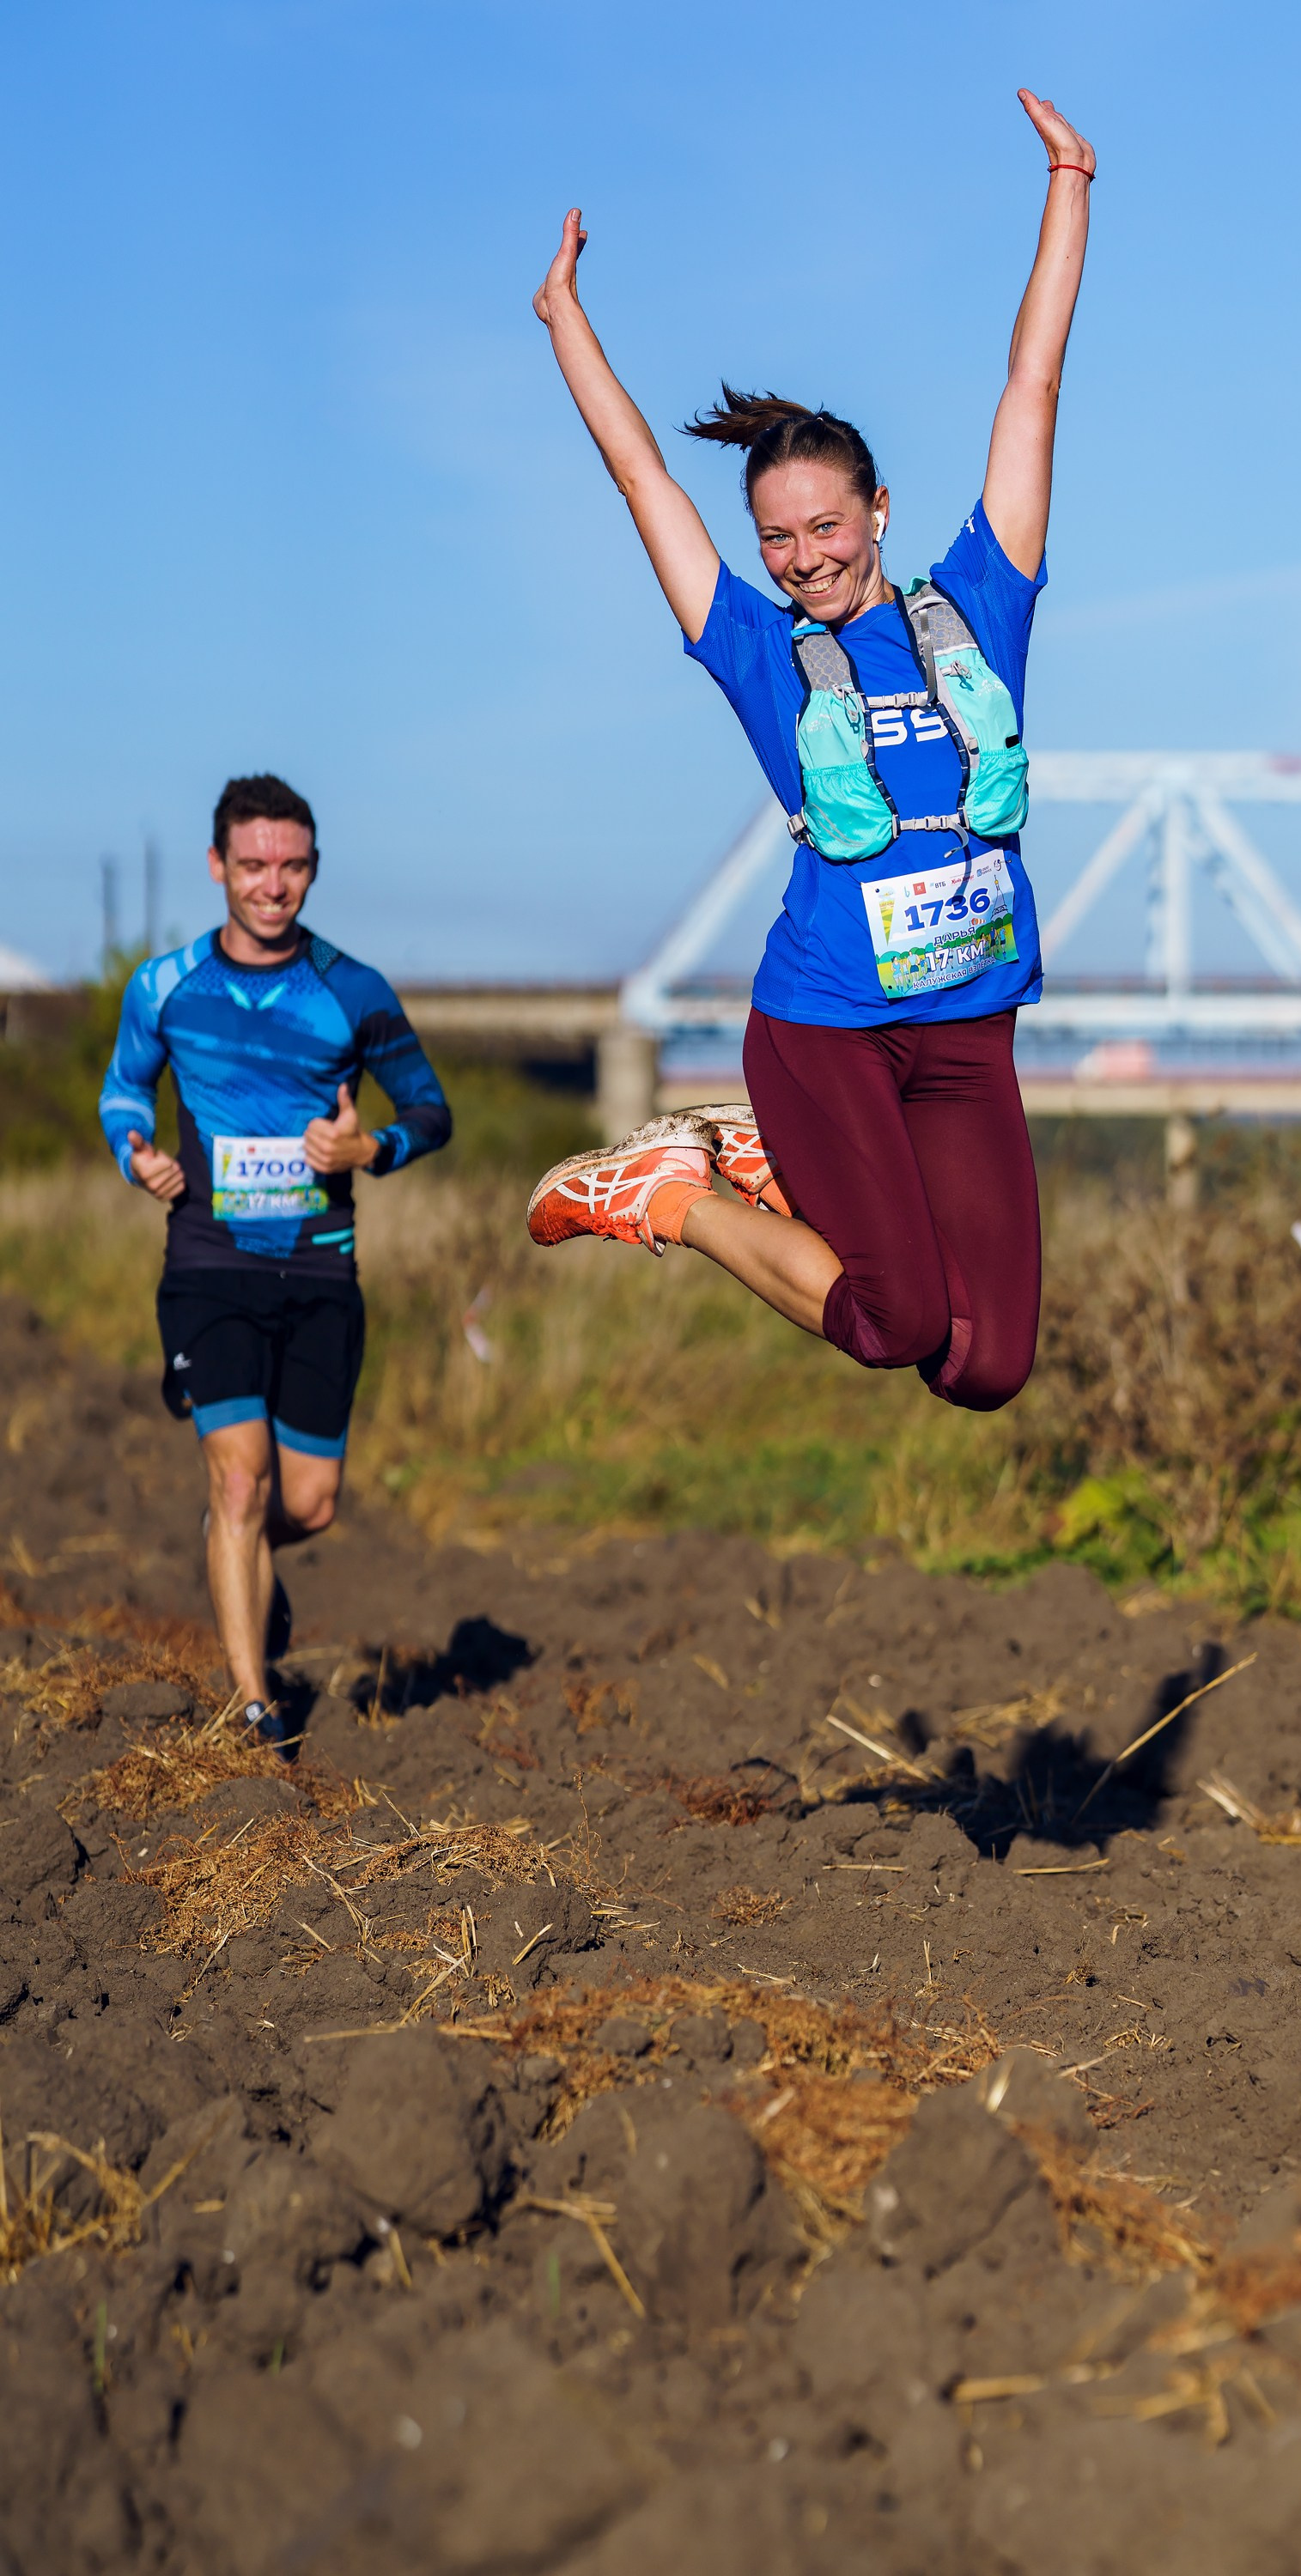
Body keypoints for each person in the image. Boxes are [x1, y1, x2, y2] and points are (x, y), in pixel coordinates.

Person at [526, 88, 1094, 1413]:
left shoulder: (981, 604)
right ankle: (680, 1198)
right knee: (893, 1322)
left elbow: (1034, 384)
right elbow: (644, 484)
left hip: (966, 1031)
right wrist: (567, 324)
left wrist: (1067, 184)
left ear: (878, 509)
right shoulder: (756, 648)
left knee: (987, 1365)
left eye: (824, 529)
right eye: (776, 539)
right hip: (828, 1026)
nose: (802, 559)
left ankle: (779, 1170)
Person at [98, 773, 452, 1747]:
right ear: (218, 867)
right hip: (209, 1264)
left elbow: (430, 1112)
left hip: (322, 1272)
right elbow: (122, 1091)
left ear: (312, 871)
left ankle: (236, 1553)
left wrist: (368, 1149)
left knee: (307, 1501)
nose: (271, 885)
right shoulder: (164, 987)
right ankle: (254, 1703)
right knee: (239, 1480)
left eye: (291, 866)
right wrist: (136, 1153)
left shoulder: (353, 990)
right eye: (252, 865)